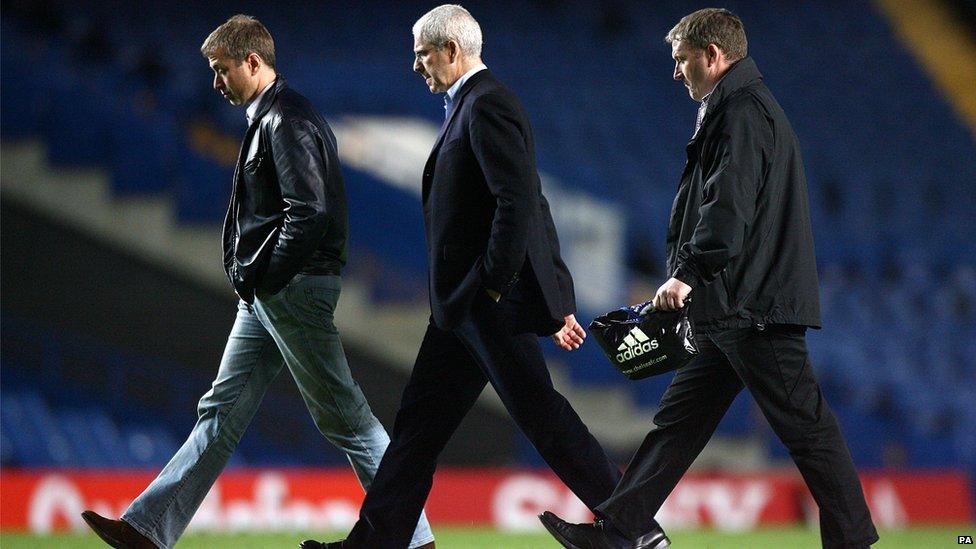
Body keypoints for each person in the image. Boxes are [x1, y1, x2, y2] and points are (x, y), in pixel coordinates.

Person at [79, 14, 435, 549]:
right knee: (221, 413)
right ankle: (146, 532)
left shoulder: (284, 120)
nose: (216, 82)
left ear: (253, 61)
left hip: (290, 289)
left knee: (347, 417)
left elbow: (308, 211)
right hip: (272, 293)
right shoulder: (274, 116)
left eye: (222, 70)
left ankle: (413, 538)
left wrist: (264, 274)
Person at [539, 8, 879, 549]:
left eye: (682, 60)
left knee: (806, 428)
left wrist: (688, 274)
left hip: (754, 307)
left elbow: (728, 206)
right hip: (733, 306)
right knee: (677, 424)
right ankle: (618, 530)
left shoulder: (742, 112)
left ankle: (853, 540)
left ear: (713, 56)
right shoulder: (734, 108)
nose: (676, 72)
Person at [299, 5, 624, 548]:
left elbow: (519, 205)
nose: (417, 65)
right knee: (417, 431)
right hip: (459, 310)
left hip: (483, 304)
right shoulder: (470, 106)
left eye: (422, 54)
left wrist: (493, 286)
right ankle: (374, 543)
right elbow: (531, 205)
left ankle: (633, 526)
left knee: (541, 416)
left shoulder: (488, 104)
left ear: (451, 50)